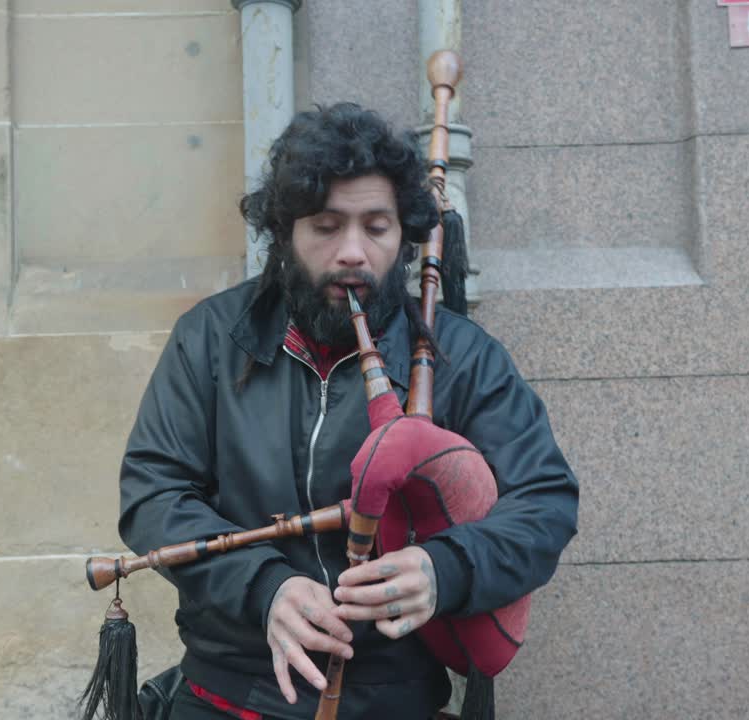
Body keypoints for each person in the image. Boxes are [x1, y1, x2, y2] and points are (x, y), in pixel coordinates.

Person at [118, 103, 578, 720]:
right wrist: (264, 587)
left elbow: (545, 503)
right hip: (228, 692)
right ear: (285, 234)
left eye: (377, 227)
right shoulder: (209, 339)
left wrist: (445, 568)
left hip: (394, 699)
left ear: (405, 236)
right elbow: (153, 491)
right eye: (326, 226)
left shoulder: (461, 358)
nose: (352, 253)